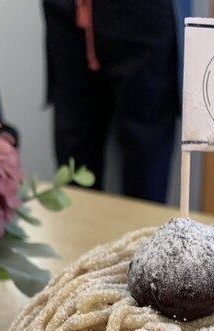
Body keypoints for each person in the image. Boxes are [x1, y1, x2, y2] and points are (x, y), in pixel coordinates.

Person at [43, 0, 186, 204]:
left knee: (145, 156)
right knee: (73, 148)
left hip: (141, 13)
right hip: (68, 12)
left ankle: (143, 225)